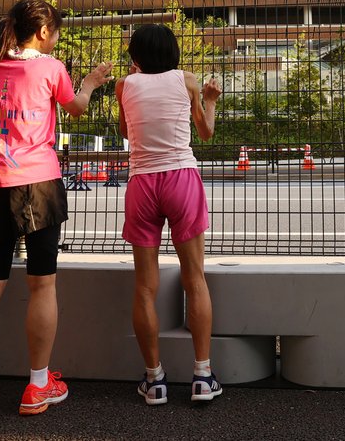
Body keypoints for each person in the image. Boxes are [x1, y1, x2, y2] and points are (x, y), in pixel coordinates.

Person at [0, 0, 113, 423]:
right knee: (42, 284)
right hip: (38, 181)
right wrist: (93, 81)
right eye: (56, 31)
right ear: (43, 33)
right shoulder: (50, 67)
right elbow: (76, 108)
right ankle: (38, 382)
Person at [115, 23, 222, 405]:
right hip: (181, 177)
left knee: (145, 286)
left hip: (142, 182)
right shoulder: (188, 80)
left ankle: (154, 379)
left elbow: (127, 132)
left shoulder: (124, 86)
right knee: (195, 279)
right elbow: (205, 132)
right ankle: (202, 376)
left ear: (136, 57)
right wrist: (209, 99)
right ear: (174, 53)